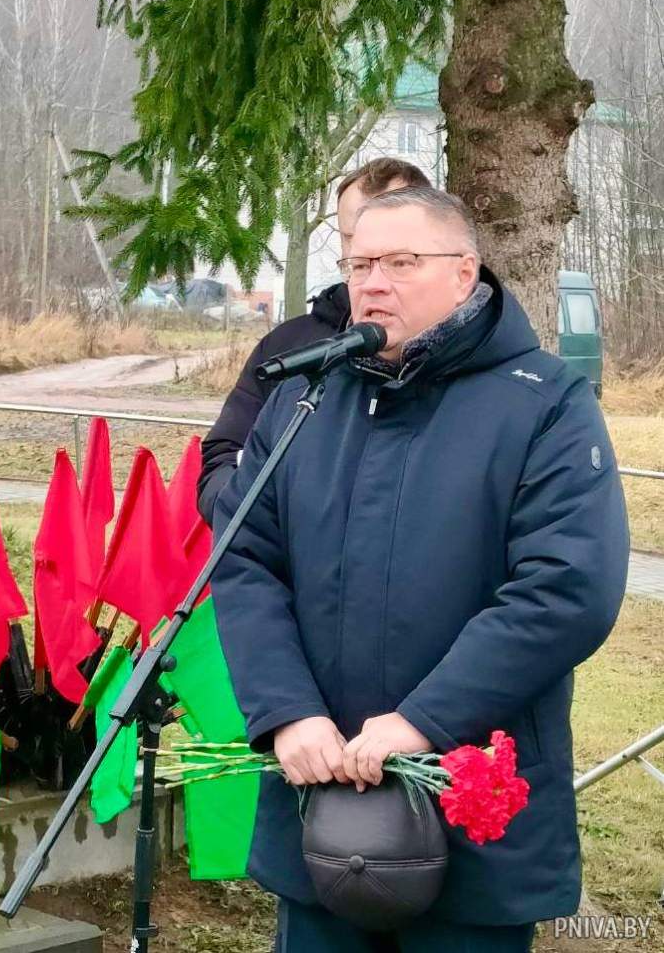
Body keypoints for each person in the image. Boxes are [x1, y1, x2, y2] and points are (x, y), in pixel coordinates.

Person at [210, 186, 629, 952]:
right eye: (360, 264)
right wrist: (287, 710)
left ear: (464, 273)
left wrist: (423, 721)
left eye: (402, 262)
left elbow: (567, 588)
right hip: (322, 802)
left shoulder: (545, 404)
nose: (374, 283)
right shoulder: (306, 398)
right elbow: (243, 558)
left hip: (474, 809)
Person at [197, 158, 432, 523]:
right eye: (352, 236)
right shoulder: (288, 348)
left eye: (390, 238)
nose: (367, 252)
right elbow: (223, 459)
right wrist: (261, 524)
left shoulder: (470, 357)